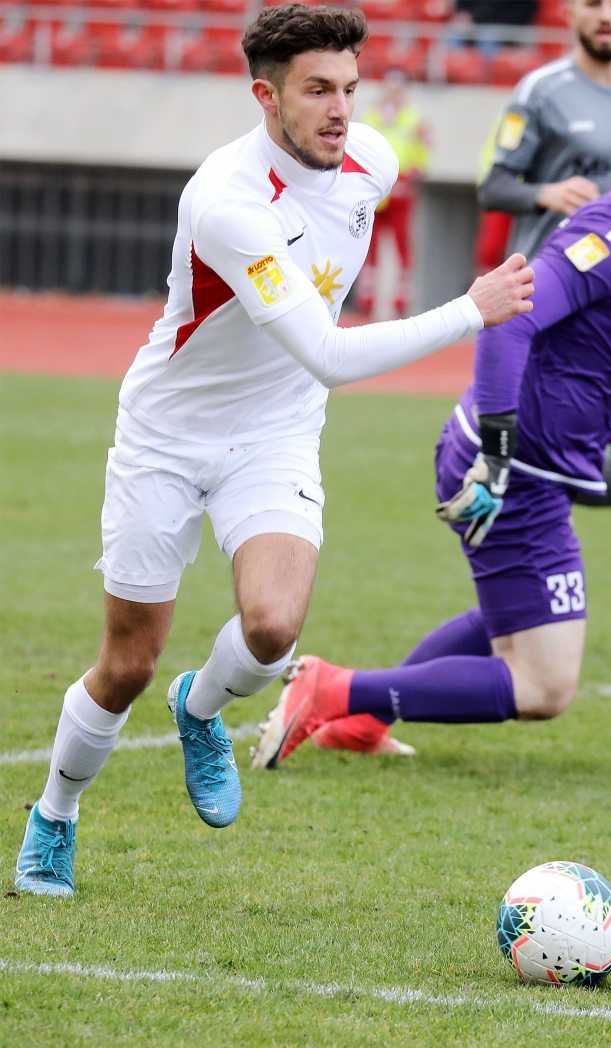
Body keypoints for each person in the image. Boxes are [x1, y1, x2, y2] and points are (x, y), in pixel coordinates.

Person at [14, 3, 535, 897]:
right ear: (266, 96)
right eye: (318, 91)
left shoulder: (372, 160)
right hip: (167, 436)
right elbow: (327, 354)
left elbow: (314, 354)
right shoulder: (229, 203)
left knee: (272, 630)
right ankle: (54, 816)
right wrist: (468, 311)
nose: (341, 111)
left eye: (350, 88)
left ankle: (200, 707)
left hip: (276, 432)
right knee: (127, 663)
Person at [250, 84, 611, 769]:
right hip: (514, 472)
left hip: (527, 469)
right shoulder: (610, 239)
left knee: (515, 616)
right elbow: (508, 319)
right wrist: (495, 458)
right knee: (545, 686)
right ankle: (332, 690)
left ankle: (358, 724)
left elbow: (598, 377)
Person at [477, 0, 611, 504]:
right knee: (546, 441)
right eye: (593, 4)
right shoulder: (540, 90)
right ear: (570, 13)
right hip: (554, 296)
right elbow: (493, 187)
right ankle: (527, 498)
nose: (606, 15)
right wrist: (545, 193)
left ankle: (537, 491)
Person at [355, 71, 430, 317]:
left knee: (402, 244)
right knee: (368, 242)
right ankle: (366, 298)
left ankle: (402, 298)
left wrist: (414, 173)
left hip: (402, 188)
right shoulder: (371, 115)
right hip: (375, 189)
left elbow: (423, 148)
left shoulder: (414, 117)